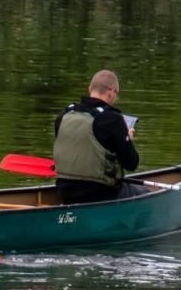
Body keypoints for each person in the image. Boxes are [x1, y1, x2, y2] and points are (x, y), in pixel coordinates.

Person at [52, 69, 139, 204]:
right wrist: (128, 140)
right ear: (112, 92)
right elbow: (131, 163)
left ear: (89, 89)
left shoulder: (63, 116)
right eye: (116, 93)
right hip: (100, 193)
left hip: (65, 191)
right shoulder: (113, 119)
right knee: (144, 193)